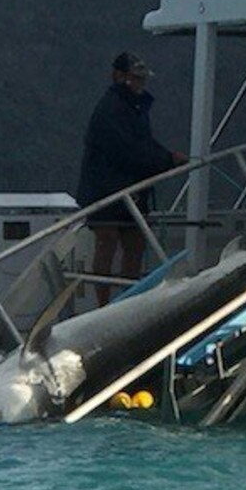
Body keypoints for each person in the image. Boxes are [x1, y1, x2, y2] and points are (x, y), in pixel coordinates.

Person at [77, 52, 186, 305]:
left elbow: (143, 144)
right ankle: (103, 305)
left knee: (135, 243)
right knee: (108, 241)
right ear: (119, 77)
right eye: (135, 79)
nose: (140, 84)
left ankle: (129, 300)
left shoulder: (134, 108)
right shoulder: (111, 109)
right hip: (104, 189)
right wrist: (166, 161)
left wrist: (167, 156)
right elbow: (127, 150)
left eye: (143, 79)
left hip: (130, 189)